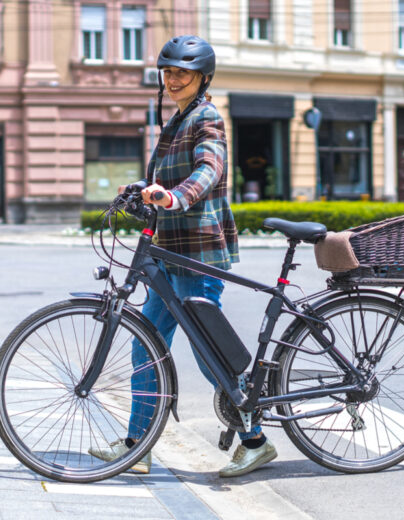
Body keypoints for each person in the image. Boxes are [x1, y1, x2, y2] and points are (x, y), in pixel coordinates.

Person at [89, 35, 277, 478]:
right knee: (146, 347)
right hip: (170, 253)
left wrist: (175, 198)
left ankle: (256, 441)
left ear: (202, 78)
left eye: (182, 73)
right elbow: (166, 176)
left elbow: (209, 169)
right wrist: (141, 187)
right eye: (168, 72)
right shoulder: (176, 120)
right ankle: (139, 445)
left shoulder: (207, 116)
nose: (172, 80)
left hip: (198, 251)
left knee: (208, 352)